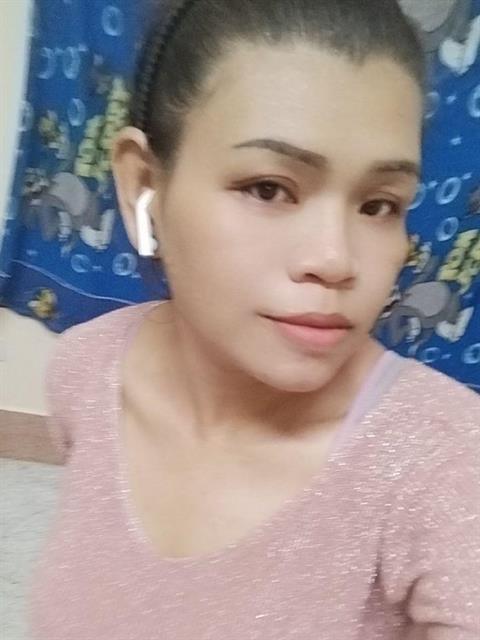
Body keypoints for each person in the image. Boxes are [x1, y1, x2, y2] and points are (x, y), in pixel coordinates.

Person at [28, 1, 479, 638]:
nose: (335, 260)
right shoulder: (87, 371)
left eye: (379, 205)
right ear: (142, 185)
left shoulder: (446, 462)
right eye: (269, 188)